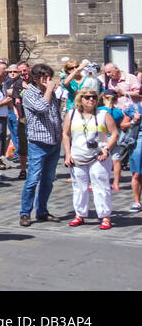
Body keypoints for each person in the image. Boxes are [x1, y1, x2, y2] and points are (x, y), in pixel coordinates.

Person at [62, 82, 119, 229]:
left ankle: (105, 216)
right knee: (79, 187)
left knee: (101, 185)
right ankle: (79, 214)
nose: (91, 100)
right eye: (87, 97)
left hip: (98, 156)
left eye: (94, 97)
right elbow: (66, 135)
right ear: (80, 99)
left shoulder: (103, 114)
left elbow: (114, 134)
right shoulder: (72, 114)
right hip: (78, 156)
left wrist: (106, 148)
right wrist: (67, 154)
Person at [19, 63, 63, 226]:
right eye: (45, 77)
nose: (49, 81)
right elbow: (42, 108)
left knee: (48, 179)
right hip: (38, 143)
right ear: (36, 79)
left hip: (53, 142)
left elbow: (55, 115)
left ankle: (42, 211)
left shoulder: (51, 94)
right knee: (33, 179)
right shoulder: (30, 94)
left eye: (50, 77)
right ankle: (25, 213)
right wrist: (50, 90)